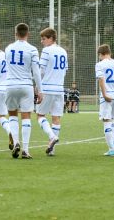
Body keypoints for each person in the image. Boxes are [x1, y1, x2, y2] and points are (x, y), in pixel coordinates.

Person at [5, 23, 42, 159]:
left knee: (13, 115)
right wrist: (39, 90)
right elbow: (36, 72)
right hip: (26, 85)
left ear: (15, 33)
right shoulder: (32, 49)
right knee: (26, 116)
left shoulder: (8, 48)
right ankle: (25, 150)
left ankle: (16, 142)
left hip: (10, 85)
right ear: (28, 34)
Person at [36, 28, 67, 156]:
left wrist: (38, 88)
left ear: (50, 38)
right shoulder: (63, 51)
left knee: (40, 115)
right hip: (59, 88)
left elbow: (41, 70)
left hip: (47, 88)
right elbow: (65, 70)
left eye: (43, 39)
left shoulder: (46, 51)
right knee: (56, 117)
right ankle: (52, 150)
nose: (42, 42)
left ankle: (52, 136)